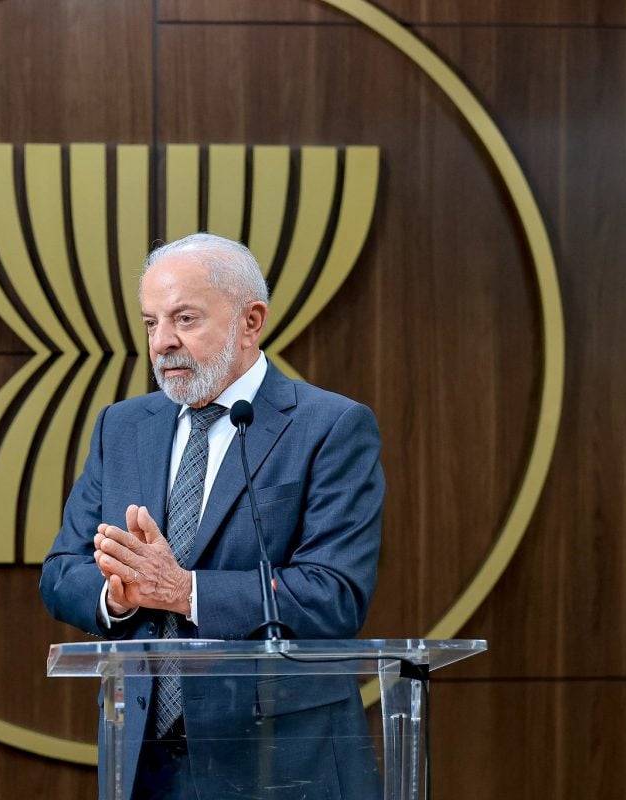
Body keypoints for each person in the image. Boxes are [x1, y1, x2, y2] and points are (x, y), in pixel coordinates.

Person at [40, 233, 384, 799]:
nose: (162, 342)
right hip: (145, 761)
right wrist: (119, 596)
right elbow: (60, 572)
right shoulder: (121, 427)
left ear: (251, 321)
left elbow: (334, 595)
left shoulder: (331, 427)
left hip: (281, 760)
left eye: (185, 319)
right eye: (151, 323)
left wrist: (186, 591)